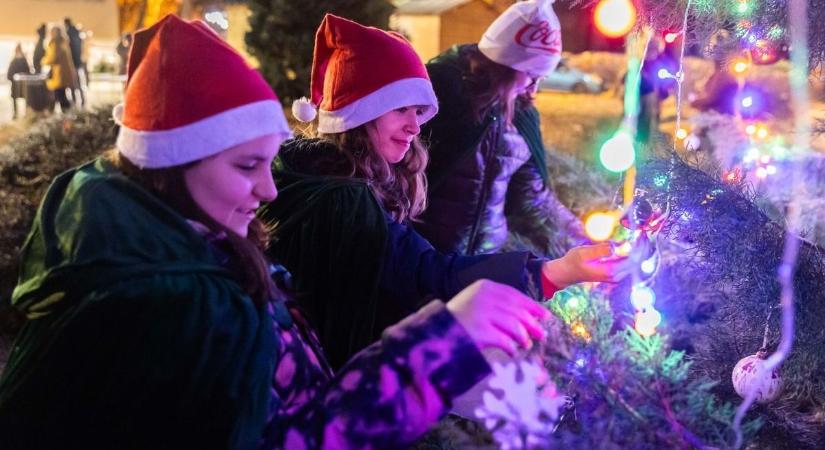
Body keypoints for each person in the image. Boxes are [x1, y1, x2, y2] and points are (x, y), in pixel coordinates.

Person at [0, 15, 550, 449]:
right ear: (171, 167)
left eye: (268, 164)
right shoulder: (167, 307)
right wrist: (439, 348)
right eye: (245, 166)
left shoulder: (188, 253)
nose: (268, 191)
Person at [266, 14, 627, 369]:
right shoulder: (346, 200)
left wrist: (575, 246)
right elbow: (426, 272)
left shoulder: (327, 178)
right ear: (362, 113)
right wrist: (554, 271)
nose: (415, 126)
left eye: (419, 111)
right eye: (401, 109)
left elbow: (530, 196)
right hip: (414, 296)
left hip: (453, 272)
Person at [415, 0, 586, 260]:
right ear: (507, 65)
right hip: (424, 260)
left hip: (481, 263)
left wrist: (586, 239)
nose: (534, 89)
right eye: (531, 75)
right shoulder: (438, 94)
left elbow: (533, 197)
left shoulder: (521, 114)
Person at [41, 25, 77, 112]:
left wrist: (43, 61)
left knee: (57, 96)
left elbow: (52, 58)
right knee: (61, 95)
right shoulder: (64, 42)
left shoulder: (54, 43)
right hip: (64, 74)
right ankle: (67, 114)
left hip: (57, 75)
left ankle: (64, 115)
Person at [64, 17, 86, 107]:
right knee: (78, 83)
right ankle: (82, 100)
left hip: (72, 62)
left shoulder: (69, 33)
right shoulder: (77, 33)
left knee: (73, 83)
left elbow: (69, 50)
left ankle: (74, 101)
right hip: (78, 61)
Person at [6, 44, 31, 119]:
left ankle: (17, 113)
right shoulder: (23, 60)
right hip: (22, 84)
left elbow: (9, 74)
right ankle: (23, 112)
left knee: (17, 98)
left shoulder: (14, 61)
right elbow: (28, 72)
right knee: (25, 98)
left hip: (17, 84)